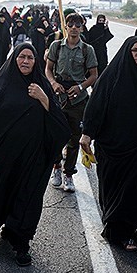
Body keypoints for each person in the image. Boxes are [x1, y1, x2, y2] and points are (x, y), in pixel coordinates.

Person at [0, 43, 70, 267]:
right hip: (3, 155)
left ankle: (21, 242)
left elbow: (60, 125)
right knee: (2, 191)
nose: (25, 61)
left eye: (30, 58)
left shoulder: (41, 86)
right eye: (21, 57)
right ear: (14, 59)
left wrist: (43, 98)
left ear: (36, 62)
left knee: (28, 196)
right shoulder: (1, 84)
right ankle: (7, 226)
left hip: (33, 157)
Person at [79, 36, 137, 251]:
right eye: (134, 51)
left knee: (136, 188)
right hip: (112, 147)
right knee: (115, 189)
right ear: (126, 52)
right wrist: (87, 134)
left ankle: (132, 229)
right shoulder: (111, 77)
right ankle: (118, 231)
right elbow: (95, 107)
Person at [45, 12, 99, 193]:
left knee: (74, 139)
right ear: (65, 27)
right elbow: (48, 69)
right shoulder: (56, 46)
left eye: (78, 24)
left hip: (78, 99)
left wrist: (81, 87)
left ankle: (69, 174)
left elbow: (93, 75)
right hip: (58, 97)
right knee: (54, 136)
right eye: (71, 24)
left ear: (82, 27)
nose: (74, 27)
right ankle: (56, 169)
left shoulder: (87, 50)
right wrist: (53, 83)